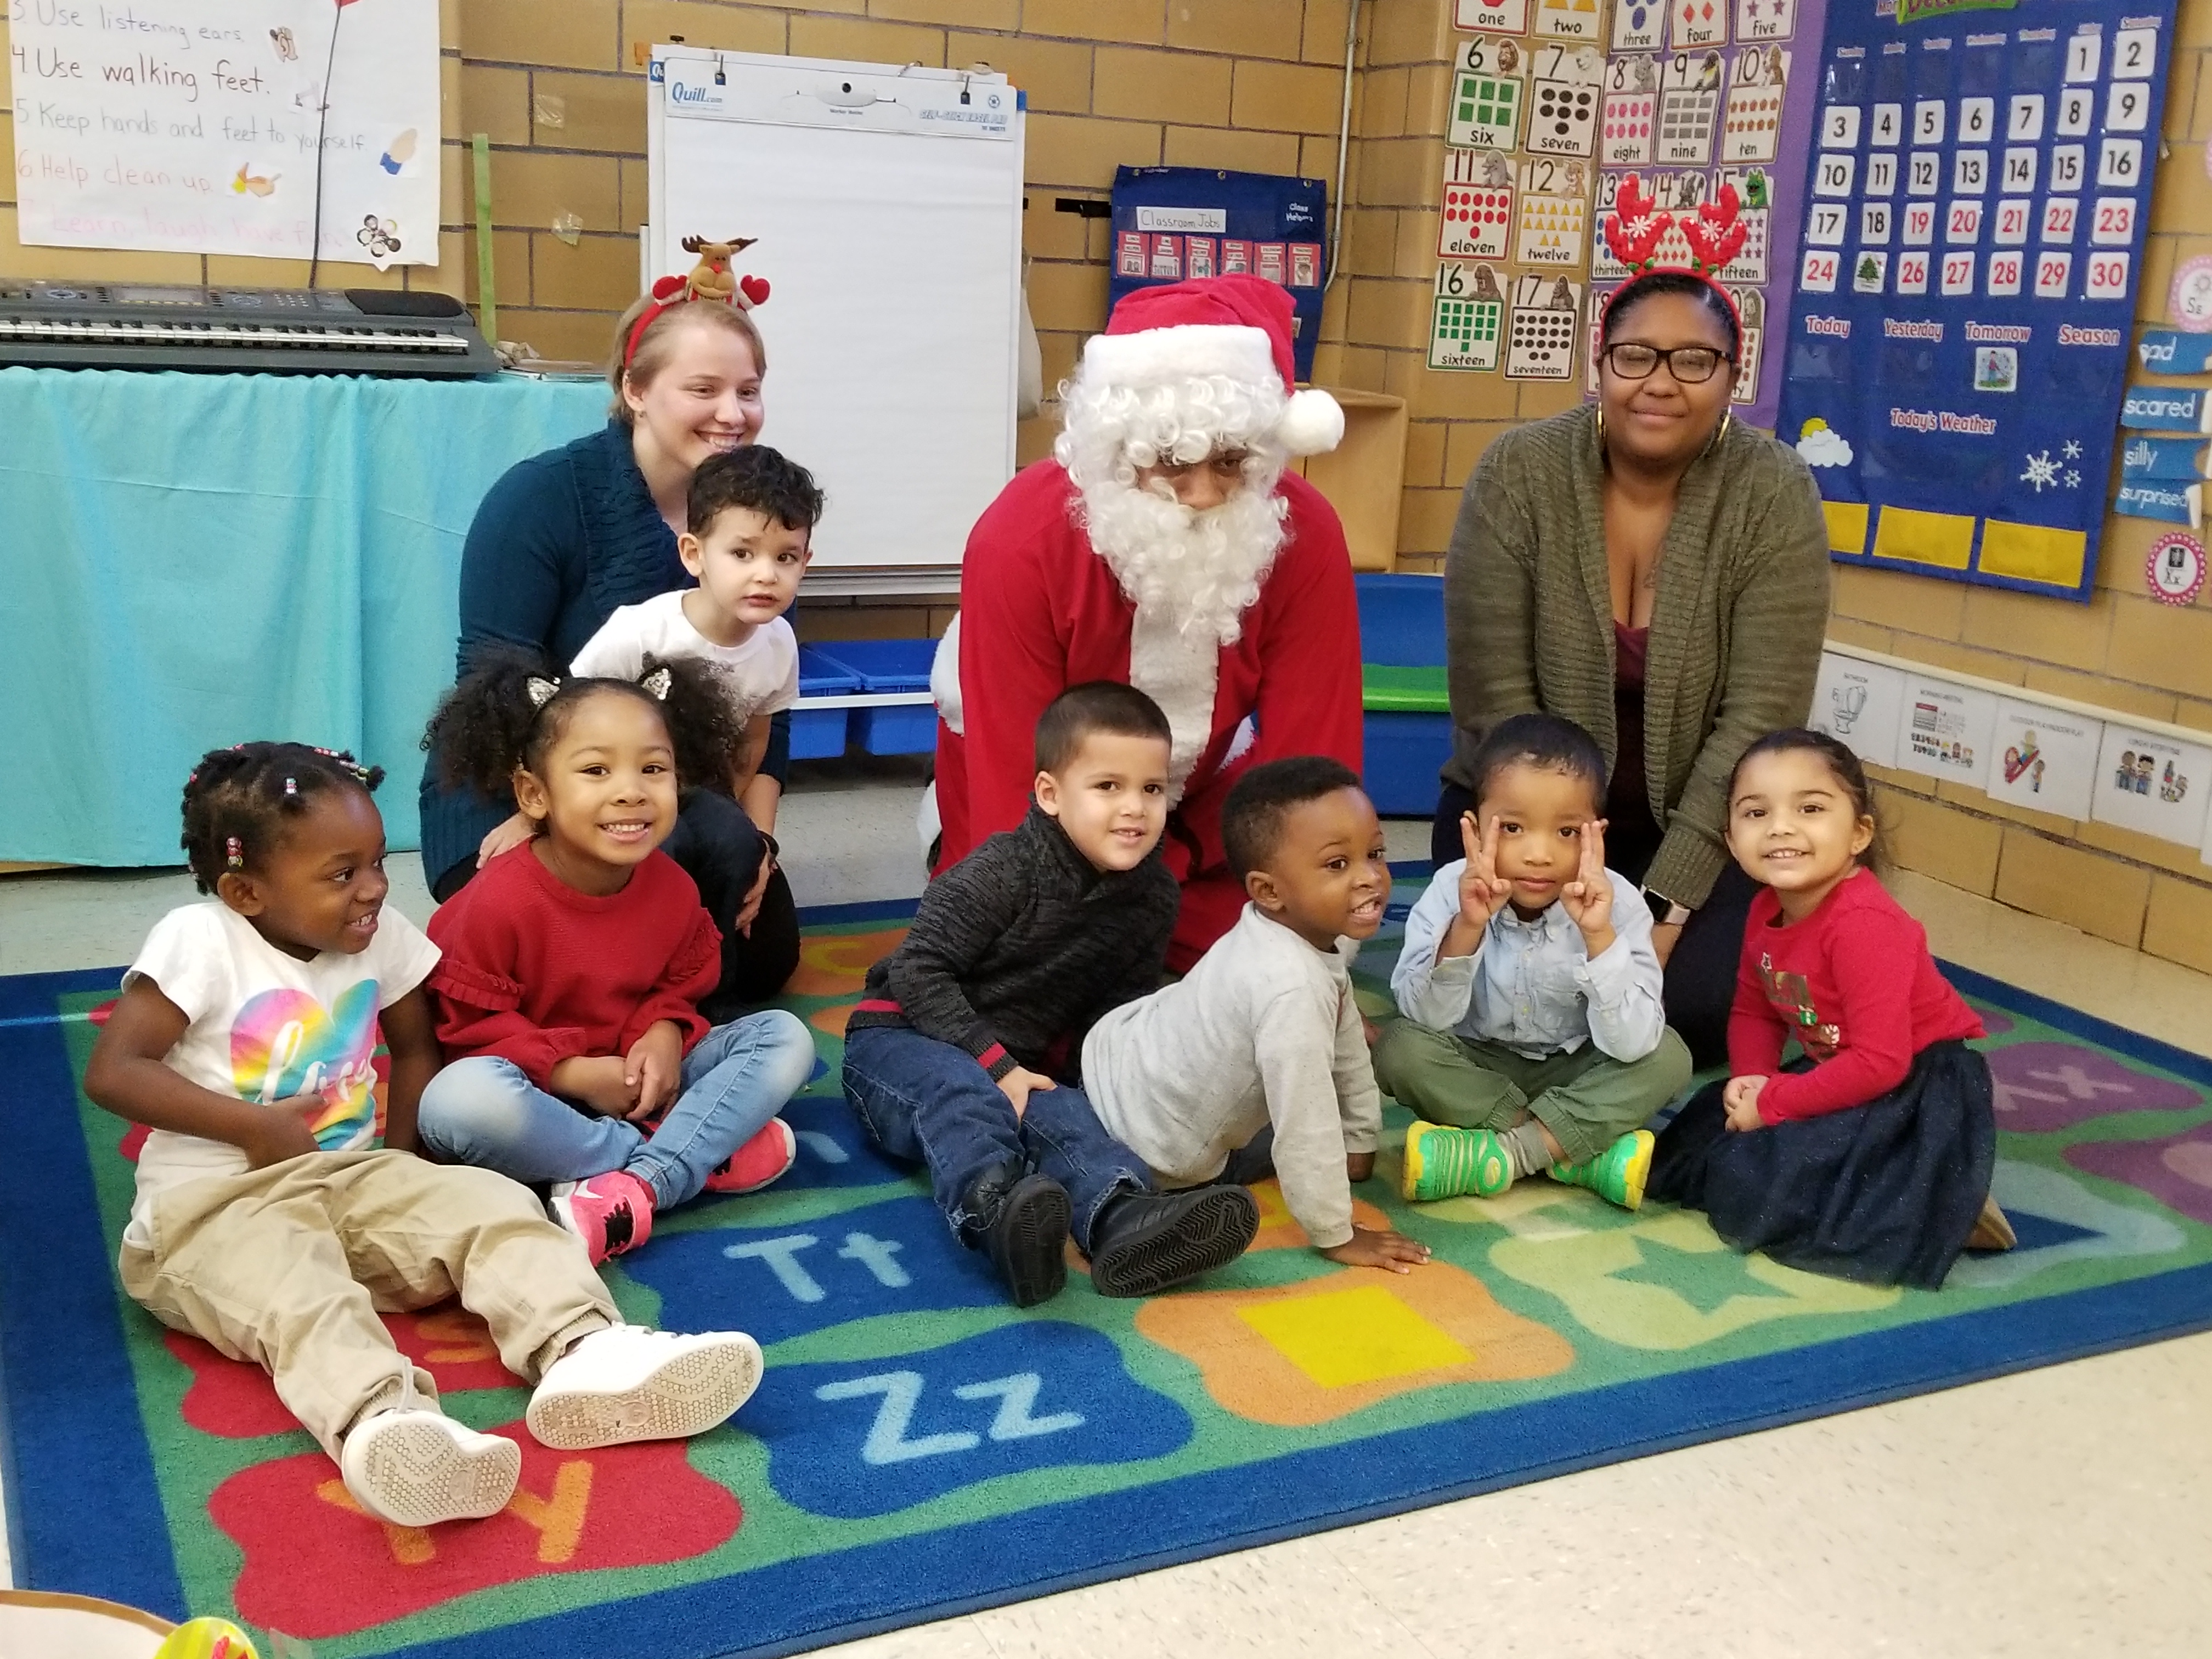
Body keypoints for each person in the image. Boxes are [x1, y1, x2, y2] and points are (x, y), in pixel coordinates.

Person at [82, 743, 768, 1531]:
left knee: (493, 1205)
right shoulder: (198, 941)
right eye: (342, 875)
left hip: (345, 1182)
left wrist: (403, 1175)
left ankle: (586, 1353)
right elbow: (115, 1070)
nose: (374, 888)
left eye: (377, 861)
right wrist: (254, 1126)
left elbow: (415, 1049)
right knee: (298, 1293)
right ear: (245, 891)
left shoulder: (381, 934)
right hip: (210, 1211)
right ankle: (387, 1426)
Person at [1437, 183, 1831, 1068]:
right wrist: (1554, 867)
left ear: (1735, 377)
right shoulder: (1520, 474)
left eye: (1695, 361)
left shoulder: (1774, 493)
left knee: (1685, 1010)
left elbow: (1759, 723)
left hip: (1706, 827)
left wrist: (1665, 907)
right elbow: (1494, 698)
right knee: (1497, 1001)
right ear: (1599, 365)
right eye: (1636, 357)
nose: (1660, 382)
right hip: (1520, 817)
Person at [932, 273, 1364, 973]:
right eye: (1169, 462)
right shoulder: (1020, 538)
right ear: (1117, 449)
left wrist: (1312, 946)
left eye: (1231, 461)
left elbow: (1314, 753)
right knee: (1020, 975)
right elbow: (1012, 769)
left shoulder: (1303, 532)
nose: (1200, 494)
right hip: (1046, 803)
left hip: (1211, 811)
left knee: (1271, 970)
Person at [417, 277, 799, 1007]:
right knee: (563, 970)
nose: (733, 414)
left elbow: (765, 708)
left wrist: (761, 849)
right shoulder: (538, 499)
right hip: (518, 791)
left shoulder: (756, 520)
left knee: (763, 956)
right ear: (635, 388)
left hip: (672, 801)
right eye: (704, 389)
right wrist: (532, 820)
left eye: (749, 391)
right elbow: (491, 691)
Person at [843, 683, 1262, 1306]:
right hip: (900, 1040)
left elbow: (1114, 1015)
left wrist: (1104, 1093)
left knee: (1069, 1114)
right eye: (1108, 787)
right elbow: (918, 973)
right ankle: (995, 1214)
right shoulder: (1003, 870)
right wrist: (997, 1065)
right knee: (962, 1094)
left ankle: (1120, 1216)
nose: (1135, 809)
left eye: (1152, 789)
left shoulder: (1152, 897)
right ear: (1049, 795)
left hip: (1016, 1065)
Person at [415, 654, 816, 1266]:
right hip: (540, 1098)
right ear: (534, 795)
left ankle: (631, 1186)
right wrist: (574, 1074)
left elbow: (678, 985)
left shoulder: (673, 889)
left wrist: (662, 1029)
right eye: (596, 770)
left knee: (784, 1037)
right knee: (454, 1105)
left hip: (641, 1079)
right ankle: (682, 1158)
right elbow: (469, 1033)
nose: (630, 790)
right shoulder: (496, 902)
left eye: (653, 768)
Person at [1647, 730, 2011, 1288]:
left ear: (1859, 831)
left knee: (1773, 1185)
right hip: (1843, 1068)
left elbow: (1882, 1063)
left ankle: (1947, 1198)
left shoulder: (1865, 925)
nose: (1781, 827)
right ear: (1730, 836)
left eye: (1811, 808)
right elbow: (1755, 1009)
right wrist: (1752, 1077)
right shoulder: (1766, 907)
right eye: (1755, 812)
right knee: (1701, 1133)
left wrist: (1774, 1103)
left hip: (1914, 1087)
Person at [1084, 757, 1431, 1273]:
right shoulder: (1290, 987)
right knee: (1298, 1132)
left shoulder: (1288, 933)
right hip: (1148, 1134)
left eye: (1375, 854)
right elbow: (1305, 1116)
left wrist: (1358, 1141)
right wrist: (1336, 1232)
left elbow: (1346, 1042)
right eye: (1338, 865)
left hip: (1130, 1047)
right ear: (1268, 891)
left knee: (1302, 1119)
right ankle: (1137, 1210)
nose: (1371, 878)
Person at [1378, 714, 1691, 1210]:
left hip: (1576, 1064)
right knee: (1399, 1047)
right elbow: (1426, 1018)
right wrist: (1468, 926)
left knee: (1669, 1057)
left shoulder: (1621, 905)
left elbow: (1633, 1044)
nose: (1539, 854)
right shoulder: (1448, 891)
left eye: (1567, 831)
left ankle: (1504, 1154)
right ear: (1476, 828)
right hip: (1478, 1064)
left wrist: (1598, 936)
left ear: (1597, 834)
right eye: (1514, 828)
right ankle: (1569, 1151)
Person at [571, 445, 818, 1017]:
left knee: (771, 961)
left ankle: (705, 988)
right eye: (742, 553)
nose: (766, 573)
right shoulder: (640, 632)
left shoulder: (778, 641)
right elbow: (565, 724)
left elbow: (755, 745)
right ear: (694, 553)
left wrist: (759, 848)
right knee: (665, 882)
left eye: (786, 557)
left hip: (710, 812)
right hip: (626, 809)